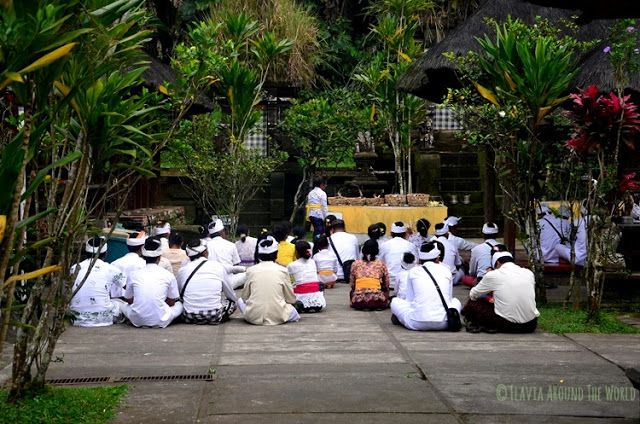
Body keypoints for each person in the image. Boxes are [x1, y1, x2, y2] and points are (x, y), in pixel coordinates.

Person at [390, 241, 461, 331]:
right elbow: (449, 299)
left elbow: (410, 300)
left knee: (395, 301)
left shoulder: (413, 271)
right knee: (456, 301)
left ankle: (401, 318)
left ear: (419, 260)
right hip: (445, 322)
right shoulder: (446, 270)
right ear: (437, 259)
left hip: (416, 322)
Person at [462, 251, 539, 333]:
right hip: (530, 324)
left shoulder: (493, 274)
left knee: (472, 303)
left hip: (507, 324)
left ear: (497, 263)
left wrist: (487, 280)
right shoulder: (529, 273)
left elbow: (473, 294)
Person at [121, 237, 183, 328]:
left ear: (143, 257)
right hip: (161, 319)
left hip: (137, 320)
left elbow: (129, 300)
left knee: (123, 305)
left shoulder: (133, 274)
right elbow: (172, 302)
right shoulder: (168, 275)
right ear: (159, 258)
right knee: (179, 305)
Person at [237, 236, 300, 325]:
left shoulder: (250, 270)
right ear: (276, 253)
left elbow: (244, 297)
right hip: (278, 315)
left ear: (258, 254)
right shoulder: (283, 270)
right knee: (293, 310)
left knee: (239, 301)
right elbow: (291, 299)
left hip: (253, 316)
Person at [69, 236, 126, 327]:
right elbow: (125, 286)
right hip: (105, 319)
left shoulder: (74, 268)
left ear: (86, 252)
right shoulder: (110, 269)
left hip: (76, 318)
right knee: (121, 304)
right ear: (105, 254)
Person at [177, 239, 237, 324]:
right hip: (214, 316)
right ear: (205, 253)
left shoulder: (182, 270)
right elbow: (231, 295)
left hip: (188, 316)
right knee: (232, 303)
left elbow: (179, 294)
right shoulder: (218, 267)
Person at [349, 239, 391, 310]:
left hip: (358, 301)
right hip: (378, 300)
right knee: (386, 291)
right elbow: (386, 284)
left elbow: (352, 285)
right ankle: (376, 305)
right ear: (377, 251)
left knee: (352, 292)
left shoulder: (355, 264)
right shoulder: (381, 264)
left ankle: (363, 304)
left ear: (363, 250)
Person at [206, 219, 246, 289]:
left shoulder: (205, 246)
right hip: (229, 282)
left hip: (211, 282)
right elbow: (236, 266)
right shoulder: (231, 245)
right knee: (248, 274)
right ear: (222, 232)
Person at [378, 221, 419, 290]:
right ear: (405, 234)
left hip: (390, 283)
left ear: (391, 234)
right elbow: (416, 263)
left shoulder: (384, 245)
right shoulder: (411, 246)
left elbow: (380, 263)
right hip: (406, 284)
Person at [287, 241, 326, 312]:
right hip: (317, 301)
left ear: (296, 252)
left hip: (301, 300)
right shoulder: (312, 262)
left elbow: (292, 283)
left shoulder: (291, 265)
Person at [462, 222, 499, 287]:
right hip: (499, 280)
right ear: (497, 234)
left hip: (483, 281)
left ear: (483, 234)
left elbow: (472, 272)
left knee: (465, 278)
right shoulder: (503, 247)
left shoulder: (476, 249)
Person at [110, 231, 146, 298]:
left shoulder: (114, 263)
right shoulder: (143, 264)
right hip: (135, 302)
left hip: (115, 301)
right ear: (142, 248)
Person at [307, 177, 328, 241]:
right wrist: (325, 216)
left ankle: (316, 241)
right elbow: (324, 206)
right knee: (319, 230)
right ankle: (317, 243)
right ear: (321, 184)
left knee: (317, 230)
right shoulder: (322, 193)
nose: (326, 186)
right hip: (318, 214)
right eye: (325, 184)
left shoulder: (311, 193)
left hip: (311, 214)